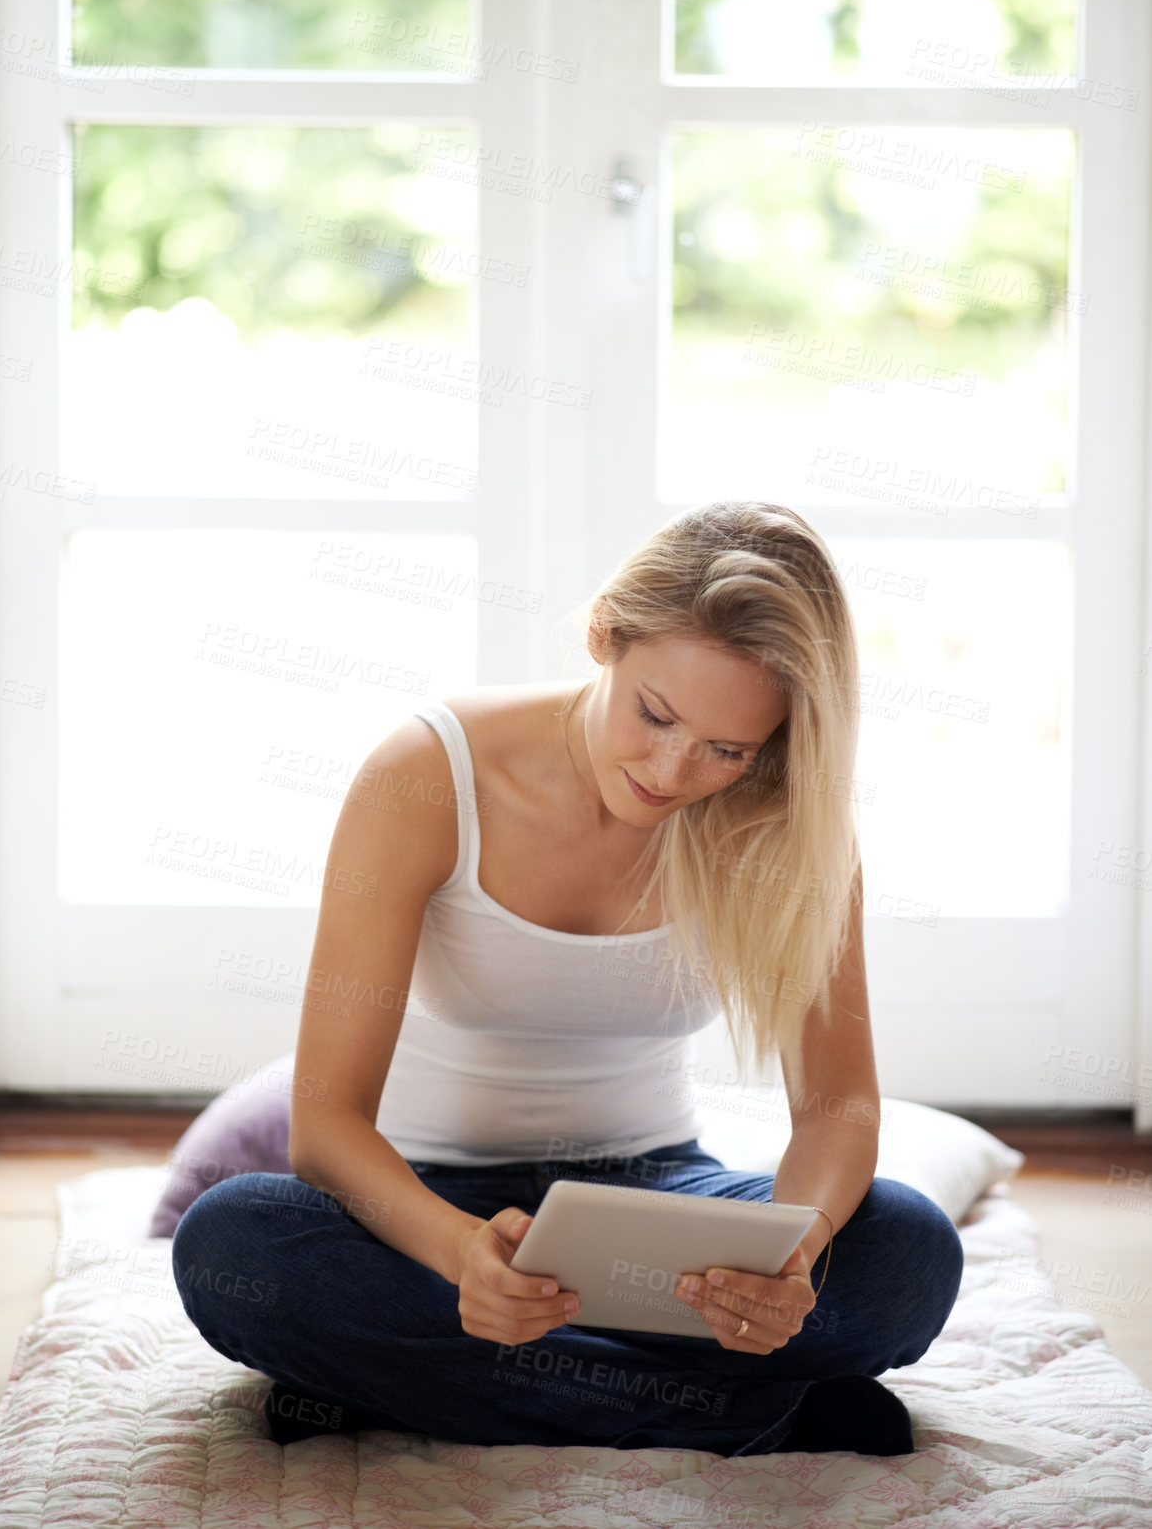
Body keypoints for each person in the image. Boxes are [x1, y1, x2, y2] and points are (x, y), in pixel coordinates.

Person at [172, 498, 964, 1458]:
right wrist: (460, 1252)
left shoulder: (791, 825)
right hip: (428, 1208)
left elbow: (838, 1102)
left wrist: (786, 1259)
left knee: (907, 1252)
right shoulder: (428, 773)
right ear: (603, 636)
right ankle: (747, 1416)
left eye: (727, 749)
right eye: (655, 713)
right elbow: (327, 1126)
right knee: (233, 1244)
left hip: (659, 1204)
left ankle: (416, 1388)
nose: (671, 770)